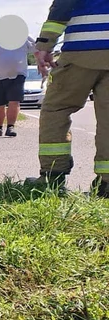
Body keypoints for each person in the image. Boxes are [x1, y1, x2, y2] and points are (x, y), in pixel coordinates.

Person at [33, 0, 109, 195]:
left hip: (81, 49)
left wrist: (45, 44)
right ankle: (106, 185)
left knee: (56, 109)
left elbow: (63, 6)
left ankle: (53, 175)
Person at [0, 35, 35, 137]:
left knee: (14, 101)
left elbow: (37, 48)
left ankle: (10, 127)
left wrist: (26, 35)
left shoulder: (23, 41)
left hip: (17, 77)